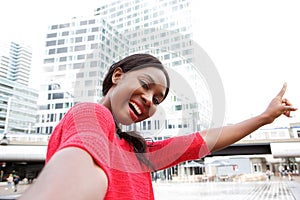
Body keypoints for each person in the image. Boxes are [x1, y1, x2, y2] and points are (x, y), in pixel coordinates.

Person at [20, 54, 297, 200]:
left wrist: (264, 117)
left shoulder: (137, 152)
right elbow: (82, 165)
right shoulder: (91, 114)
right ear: (118, 76)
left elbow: (205, 139)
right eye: (145, 85)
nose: (149, 101)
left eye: (156, 99)